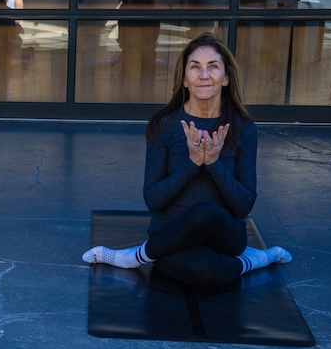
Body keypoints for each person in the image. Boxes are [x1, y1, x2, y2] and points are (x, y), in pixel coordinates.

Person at [82, 32, 291, 287]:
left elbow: (244, 204)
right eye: (195, 67)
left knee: (204, 212)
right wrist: (192, 163)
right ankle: (254, 260)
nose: (204, 75)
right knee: (205, 273)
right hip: (171, 235)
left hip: (225, 236)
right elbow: (153, 199)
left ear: (226, 78)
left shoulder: (243, 128)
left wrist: (213, 163)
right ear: (184, 79)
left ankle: (134, 257)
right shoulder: (164, 125)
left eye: (212, 67)